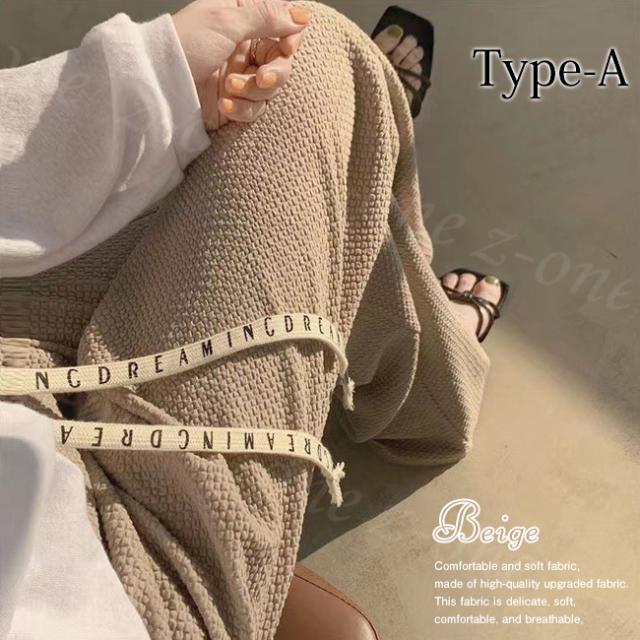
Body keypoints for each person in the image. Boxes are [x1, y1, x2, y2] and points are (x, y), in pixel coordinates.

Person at [0, 1, 503, 638]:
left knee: (244, 127)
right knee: (318, 63)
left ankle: (359, 179)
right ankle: (434, 368)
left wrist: (153, 83)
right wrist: (143, 84)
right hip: (119, 580)